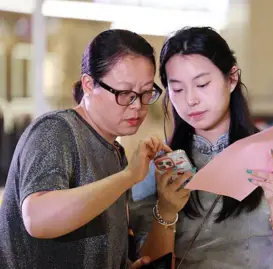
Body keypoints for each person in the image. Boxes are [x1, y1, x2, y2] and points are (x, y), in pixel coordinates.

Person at [131, 27, 273, 269]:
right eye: (177, 89)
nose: (190, 100)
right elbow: (147, 263)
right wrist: (165, 212)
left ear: (232, 78)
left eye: (202, 84)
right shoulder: (158, 166)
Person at [0, 29, 179, 269]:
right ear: (88, 84)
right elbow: (37, 218)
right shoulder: (56, 130)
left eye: (146, 93)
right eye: (125, 94)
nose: (137, 106)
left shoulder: (115, 152)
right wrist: (128, 177)